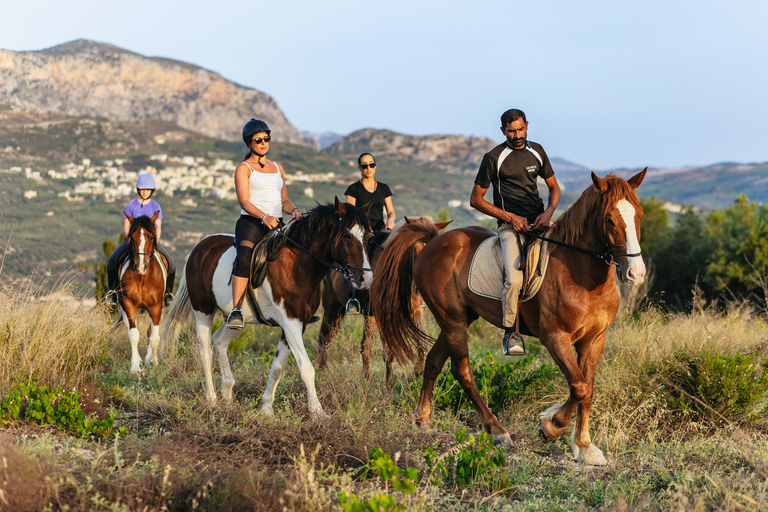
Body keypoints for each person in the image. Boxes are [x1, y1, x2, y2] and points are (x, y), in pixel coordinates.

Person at [470, 109, 560, 355]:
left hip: (540, 222)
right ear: (502, 131)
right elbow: (476, 200)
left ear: (527, 126)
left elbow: (554, 189)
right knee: (514, 279)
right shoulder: (494, 157)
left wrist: (549, 213)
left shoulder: (537, 151)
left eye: (520, 129)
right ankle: (511, 334)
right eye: (511, 131)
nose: (517, 135)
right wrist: (511, 218)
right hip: (511, 227)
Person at [226, 118, 303, 329]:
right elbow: (244, 201)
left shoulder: (278, 168)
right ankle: (236, 310)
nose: (263, 143)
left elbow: (284, 200)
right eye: (257, 140)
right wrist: (264, 216)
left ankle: (298, 308)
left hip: (276, 223)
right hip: (252, 222)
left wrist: (294, 210)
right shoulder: (244, 168)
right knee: (244, 258)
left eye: (266, 138)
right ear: (249, 144)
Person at [106, 173, 176, 306]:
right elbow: (127, 226)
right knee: (112, 261)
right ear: (138, 190)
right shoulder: (131, 206)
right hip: (133, 242)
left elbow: (158, 227)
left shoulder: (156, 207)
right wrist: (131, 240)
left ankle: (168, 294)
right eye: (142, 189)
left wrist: (154, 242)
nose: (144, 192)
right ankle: (113, 292)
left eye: (147, 190)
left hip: (150, 243)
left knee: (171, 264)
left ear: (152, 191)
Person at [344, 153, 396, 231]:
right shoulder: (353, 189)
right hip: (361, 232)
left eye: (371, 164)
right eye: (365, 166)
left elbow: (391, 211)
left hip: (380, 230)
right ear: (360, 168)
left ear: (375, 166)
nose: (368, 168)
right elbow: (351, 214)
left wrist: (391, 221)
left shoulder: (384, 188)